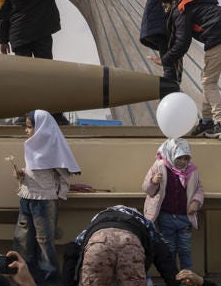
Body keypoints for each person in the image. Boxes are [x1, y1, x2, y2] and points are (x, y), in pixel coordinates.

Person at [150, 0, 221, 141]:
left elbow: (182, 42)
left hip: (220, 39)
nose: (166, 11)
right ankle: (207, 121)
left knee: (208, 81)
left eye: (165, 6)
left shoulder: (182, 9)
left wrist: (164, 60)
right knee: (207, 78)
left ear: (173, 0)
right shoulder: (197, 3)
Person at [13, 110, 81, 286]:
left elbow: (64, 175)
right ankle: (25, 278)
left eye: (29, 127)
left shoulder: (52, 147)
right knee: (23, 239)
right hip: (27, 197)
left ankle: (48, 282)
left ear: (41, 128)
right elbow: (34, 169)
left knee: (44, 243)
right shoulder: (31, 145)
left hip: (44, 201)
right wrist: (22, 173)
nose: (26, 131)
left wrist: (59, 195)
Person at [61, 205, 180, 286]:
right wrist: (175, 282)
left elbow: (72, 250)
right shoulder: (144, 222)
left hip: (98, 243)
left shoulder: (95, 222)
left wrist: (67, 283)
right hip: (130, 243)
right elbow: (163, 255)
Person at [140, 0, 206, 81]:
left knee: (174, 62)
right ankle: (170, 91)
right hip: (161, 23)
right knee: (170, 65)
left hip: (165, 23)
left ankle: (173, 88)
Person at [142, 139, 204, 271]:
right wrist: (153, 181)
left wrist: (196, 202)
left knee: (185, 250)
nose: (183, 162)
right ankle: (172, 279)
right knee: (169, 250)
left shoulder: (192, 171)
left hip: (185, 218)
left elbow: (199, 189)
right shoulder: (159, 166)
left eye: (186, 158)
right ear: (171, 154)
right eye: (179, 158)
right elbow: (147, 189)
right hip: (166, 217)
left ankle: (188, 279)